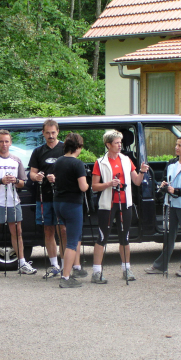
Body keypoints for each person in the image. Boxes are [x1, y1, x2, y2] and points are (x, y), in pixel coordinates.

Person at [28, 119, 87, 279]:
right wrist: (37, 176)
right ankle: (54, 265)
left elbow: (72, 168)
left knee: (64, 231)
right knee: (48, 230)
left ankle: (66, 265)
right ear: (43, 133)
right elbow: (31, 173)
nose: (51, 136)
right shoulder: (38, 151)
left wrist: (57, 178)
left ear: (58, 132)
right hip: (45, 196)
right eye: (47, 133)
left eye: (53, 132)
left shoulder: (65, 148)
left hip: (62, 196)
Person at [0, 129, 36, 278]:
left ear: (10, 143)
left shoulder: (16, 160)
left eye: (7, 141)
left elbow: (22, 183)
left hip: (13, 202)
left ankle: (22, 263)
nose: (4, 144)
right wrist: (0, 181)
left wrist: (15, 180)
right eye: (1, 141)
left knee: (17, 233)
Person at [91, 130, 149, 283]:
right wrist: (109, 184)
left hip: (125, 203)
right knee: (102, 237)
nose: (119, 145)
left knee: (125, 237)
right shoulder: (100, 162)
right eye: (116, 143)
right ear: (108, 145)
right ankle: (96, 272)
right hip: (108, 204)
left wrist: (142, 172)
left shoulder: (126, 160)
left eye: (120, 142)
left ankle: (126, 269)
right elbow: (94, 186)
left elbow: (136, 181)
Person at [145, 137, 181, 277]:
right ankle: (161, 266)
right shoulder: (171, 163)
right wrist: (163, 185)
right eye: (176, 144)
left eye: (180, 145)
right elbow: (164, 178)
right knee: (169, 235)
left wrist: (176, 191)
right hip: (170, 203)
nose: (176, 147)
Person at [52, 133, 88, 288]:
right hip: (72, 204)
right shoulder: (77, 164)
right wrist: (88, 184)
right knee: (72, 242)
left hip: (58, 203)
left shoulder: (58, 161)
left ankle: (70, 271)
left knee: (69, 238)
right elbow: (83, 187)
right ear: (78, 147)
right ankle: (66, 277)